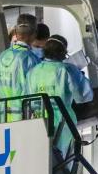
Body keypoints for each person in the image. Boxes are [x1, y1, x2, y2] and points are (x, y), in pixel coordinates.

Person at [25, 35, 93, 166]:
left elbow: (29, 99)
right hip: (63, 123)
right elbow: (85, 96)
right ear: (63, 53)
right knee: (63, 163)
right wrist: (80, 76)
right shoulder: (67, 70)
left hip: (39, 122)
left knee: (42, 162)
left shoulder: (33, 72)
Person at [0, 20, 39, 122]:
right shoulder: (30, 59)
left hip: (3, 113)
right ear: (32, 36)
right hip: (23, 115)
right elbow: (35, 89)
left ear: (16, 35)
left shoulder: (0, 57)